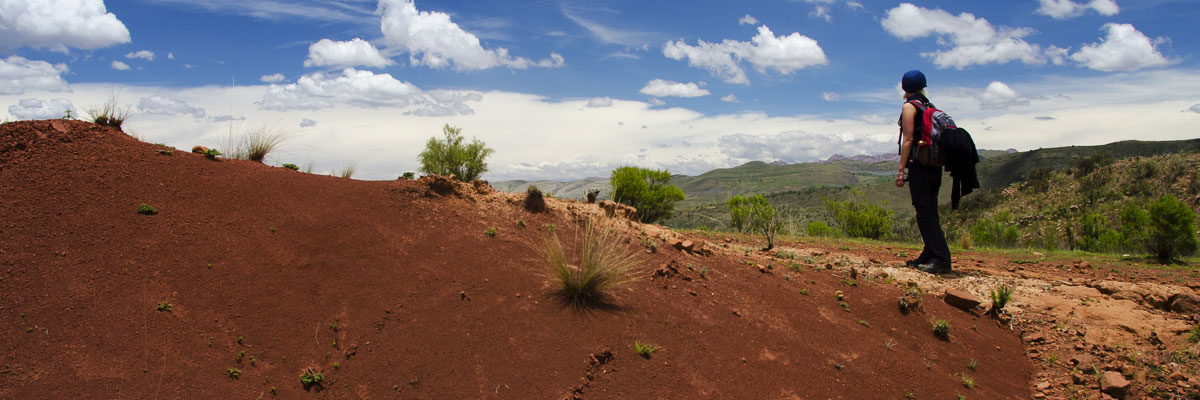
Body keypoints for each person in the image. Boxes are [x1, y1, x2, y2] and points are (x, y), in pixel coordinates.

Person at [895, 70, 952, 274]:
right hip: (934, 166)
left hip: (920, 165)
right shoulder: (930, 106)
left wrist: (901, 170)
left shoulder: (909, 106)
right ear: (923, 86)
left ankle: (941, 258)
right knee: (930, 210)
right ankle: (929, 254)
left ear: (904, 88)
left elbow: (908, 139)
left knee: (924, 212)